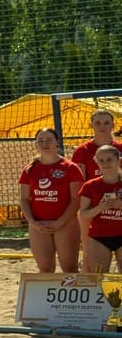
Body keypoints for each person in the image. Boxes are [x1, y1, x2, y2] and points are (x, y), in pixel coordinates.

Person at [19, 128, 81, 274]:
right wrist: (32, 222)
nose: (45, 144)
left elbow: (76, 199)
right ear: (36, 144)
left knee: (70, 269)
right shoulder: (29, 169)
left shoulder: (70, 168)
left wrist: (60, 222)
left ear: (57, 142)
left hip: (65, 223)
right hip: (39, 224)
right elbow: (23, 199)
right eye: (40, 140)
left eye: (49, 140)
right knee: (45, 270)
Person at [76, 143, 122, 273]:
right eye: (101, 160)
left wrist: (120, 206)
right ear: (96, 162)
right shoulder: (90, 186)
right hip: (100, 236)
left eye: (109, 159)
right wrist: (100, 208)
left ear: (118, 160)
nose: (105, 163)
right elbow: (83, 214)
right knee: (99, 276)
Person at [71, 108, 116, 177]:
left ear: (113, 125)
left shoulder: (120, 147)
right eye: (98, 123)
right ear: (91, 125)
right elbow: (78, 181)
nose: (102, 126)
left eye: (106, 123)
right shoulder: (82, 150)